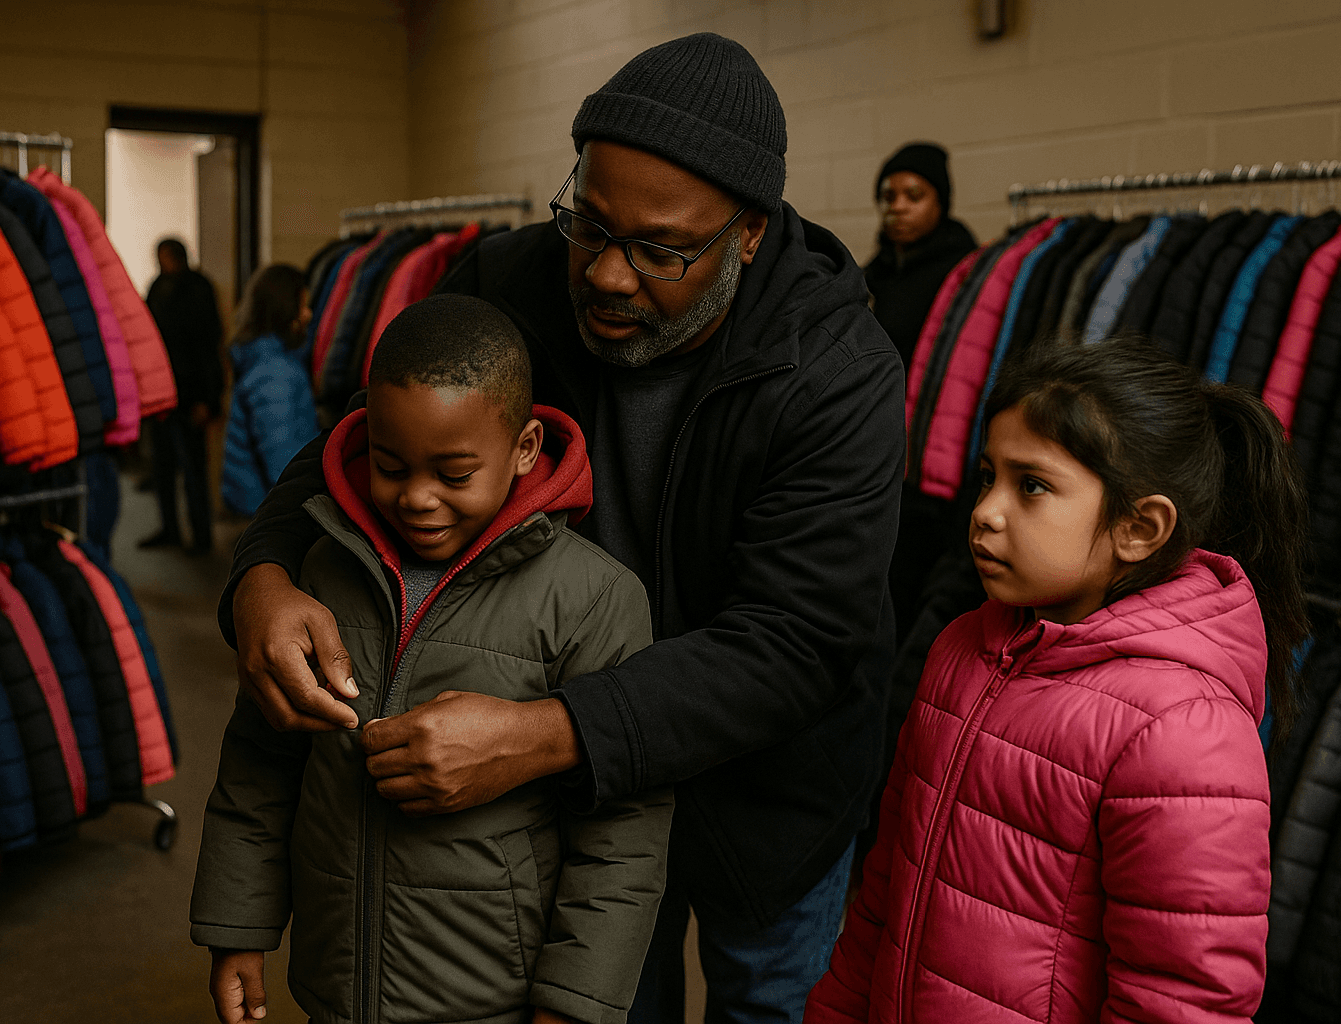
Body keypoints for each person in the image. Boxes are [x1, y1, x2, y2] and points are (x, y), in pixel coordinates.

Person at [220, 32, 904, 1024]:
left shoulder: (837, 367)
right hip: (580, 795)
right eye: (590, 224)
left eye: (661, 250)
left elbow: (794, 642)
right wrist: (264, 573)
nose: (612, 276)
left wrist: (545, 733)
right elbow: (364, 443)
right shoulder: (509, 281)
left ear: (749, 234)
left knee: (772, 997)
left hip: (770, 794)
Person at [191, 293, 673, 1024]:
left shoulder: (594, 600)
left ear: (525, 449)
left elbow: (623, 837)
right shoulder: (321, 574)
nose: (417, 499)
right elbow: (259, 766)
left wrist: (574, 1002)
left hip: (494, 1001)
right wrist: (237, 929)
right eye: (390, 466)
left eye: (452, 475)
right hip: (336, 987)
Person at [806, 338, 1299, 1023]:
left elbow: (1184, 1002)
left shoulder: (1183, 728)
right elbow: (885, 893)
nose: (987, 511)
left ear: (1139, 527)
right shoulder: (962, 649)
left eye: (1031, 485)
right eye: (988, 476)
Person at [862, 142, 977, 367]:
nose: (897, 207)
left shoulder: (965, 272)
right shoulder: (874, 272)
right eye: (888, 197)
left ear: (940, 204)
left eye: (914, 196)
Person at [142, 237, 224, 553]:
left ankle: (201, 536)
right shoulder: (158, 287)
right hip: (163, 394)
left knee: (193, 470)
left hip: (191, 395)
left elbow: (207, 348)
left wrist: (208, 399)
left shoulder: (198, 289)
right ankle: (170, 529)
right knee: (162, 467)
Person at [220, 263, 319, 518]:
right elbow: (281, 456)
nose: (308, 314)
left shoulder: (265, 356)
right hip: (272, 506)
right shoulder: (274, 370)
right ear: (283, 308)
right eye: (302, 305)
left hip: (260, 499)